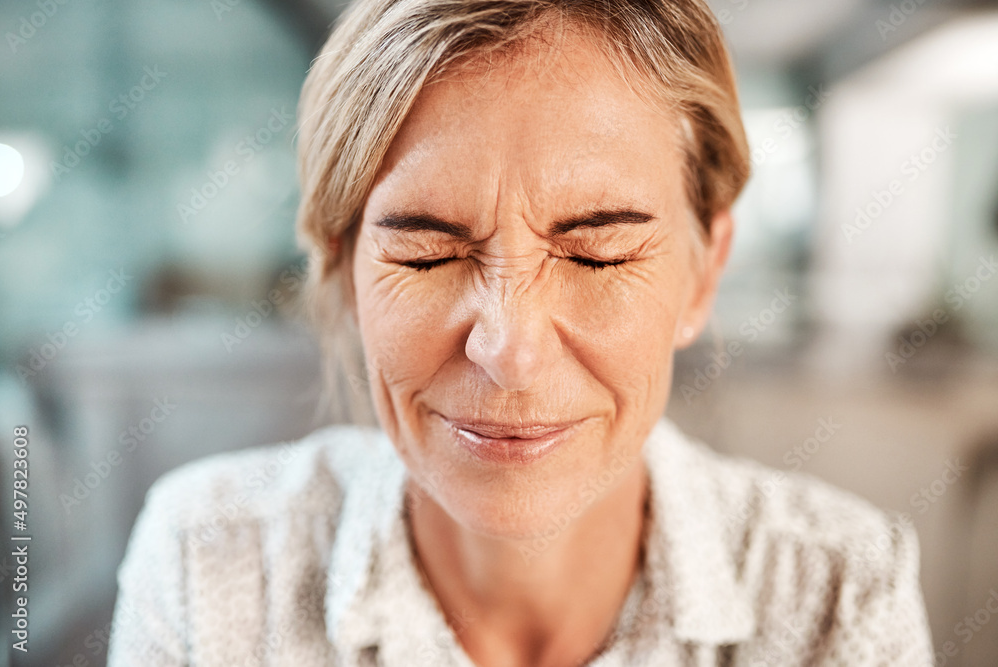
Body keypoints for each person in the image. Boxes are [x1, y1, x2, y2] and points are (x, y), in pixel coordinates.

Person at [107, 0, 934, 665]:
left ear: (703, 274)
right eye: (429, 255)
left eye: (599, 254)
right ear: (343, 270)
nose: (510, 350)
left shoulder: (838, 591)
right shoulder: (209, 560)